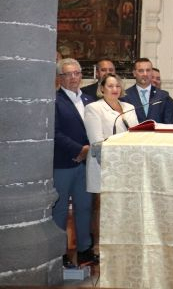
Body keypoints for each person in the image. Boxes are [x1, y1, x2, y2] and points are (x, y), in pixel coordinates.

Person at [53, 58, 98, 267]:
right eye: (68, 74)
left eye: (77, 73)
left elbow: (95, 129)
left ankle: (84, 250)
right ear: (60, 78)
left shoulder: (90, 100)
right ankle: (59, 254)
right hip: (63, 163)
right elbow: (55, 133)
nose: (73, 78)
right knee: (60, 210)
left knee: (85, 208)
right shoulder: (54, 100)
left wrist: (88, 150)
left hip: (85, 164)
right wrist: (79, 150)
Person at [83, 73, 139, 193]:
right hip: (104, 164)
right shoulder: (94, 108)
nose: (115, 89)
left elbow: (136, 134)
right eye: (110, 86)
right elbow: (96, 142)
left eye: (118, 86)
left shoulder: (130, 107)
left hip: (128, 163)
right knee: (104, 207)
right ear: (102, 88)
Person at [123, 58, 173, 124]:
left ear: (151, 72)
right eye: (141, 71)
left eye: (148, 70)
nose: (145, 74)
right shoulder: (125, 96)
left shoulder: (163, 96)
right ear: (134, 73)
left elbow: (169, 122)